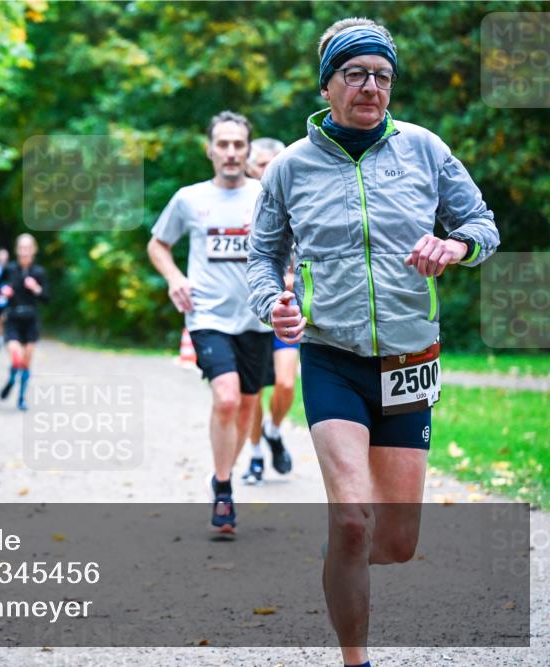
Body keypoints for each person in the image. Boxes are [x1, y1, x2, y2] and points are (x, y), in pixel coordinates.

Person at [246, 18, 499, 667]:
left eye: (382, 76)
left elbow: (480, 223)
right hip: (331, 356)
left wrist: (456, 244)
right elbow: (261, 254)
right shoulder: (290, 169)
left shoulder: (425, 150)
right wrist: (271, 303)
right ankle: (355, 655)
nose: (370, 86)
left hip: (410, 358)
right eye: (355, 74)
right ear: (327, 84)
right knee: (355, 520)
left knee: (395, 539)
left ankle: (344, 555)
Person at [147, 110, 273, 535]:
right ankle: (223, 489)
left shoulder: (266, 194)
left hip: (258, 318)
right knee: (227, 398)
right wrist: (175, 278)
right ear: (210, 150)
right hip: (208, 316)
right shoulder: (189, 199)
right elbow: (158, 244)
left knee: (248, 407)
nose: (232, 152)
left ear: (249, 150)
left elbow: (289, 243)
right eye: (224, 144)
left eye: (239, 144)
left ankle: (222, 473)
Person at [242, 137, 295, 485]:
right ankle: (257, 454)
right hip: (247, 317)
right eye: (262, 164)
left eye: (274, 162)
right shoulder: (238, 201)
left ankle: (274, 431)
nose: (269, 170)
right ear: (250, 167)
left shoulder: (297, 196)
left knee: (287, 384)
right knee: (252, 395)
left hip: (287, 312)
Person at [0, 234, 49, 411]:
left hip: (31, 320)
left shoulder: (39, 272)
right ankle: (12, 379)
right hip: (13, 318)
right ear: (17, 250)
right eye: (22, 248)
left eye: (28, 248)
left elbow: (47, 298)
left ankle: (21, 398)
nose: (25, 251)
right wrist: (3, 291)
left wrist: (36, 288)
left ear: (34, 250)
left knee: (26, 362)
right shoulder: (10, 269)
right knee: (15, 354)